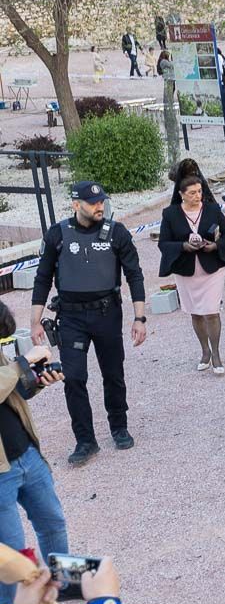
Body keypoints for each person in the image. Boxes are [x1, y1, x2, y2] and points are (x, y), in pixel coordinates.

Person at [30, 182, 145, 467]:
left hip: (107, 314)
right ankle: (85, 440)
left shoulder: (116, 233)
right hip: (71, 318)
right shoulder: (58, 234)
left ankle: (119, 427)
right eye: (93, 202)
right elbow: (43, 278)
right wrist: (34, 321)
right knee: (74, 378)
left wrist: (139, 317)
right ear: (75, 204)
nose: (99, 207)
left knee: (113, 373)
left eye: (101, 202)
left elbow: (135, 274)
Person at [0, 302, 68, 604]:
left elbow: (10, 388)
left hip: (27, 453)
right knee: (10, 551)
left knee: (52, 522)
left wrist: (36, 381)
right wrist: (21, 364)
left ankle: (64, 586)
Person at [157, 174, 225, 374]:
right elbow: (163, 243)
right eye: (192, 193)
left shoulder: (212, 209)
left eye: (199, 191)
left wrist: (215, 246)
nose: (197, 196)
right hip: (186, 270)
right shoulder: (170, 214)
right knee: (196, 312)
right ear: (182, 194)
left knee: (212, 311)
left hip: (212, 268)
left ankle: (216, 354)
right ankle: (204, 351)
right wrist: (183, 246)